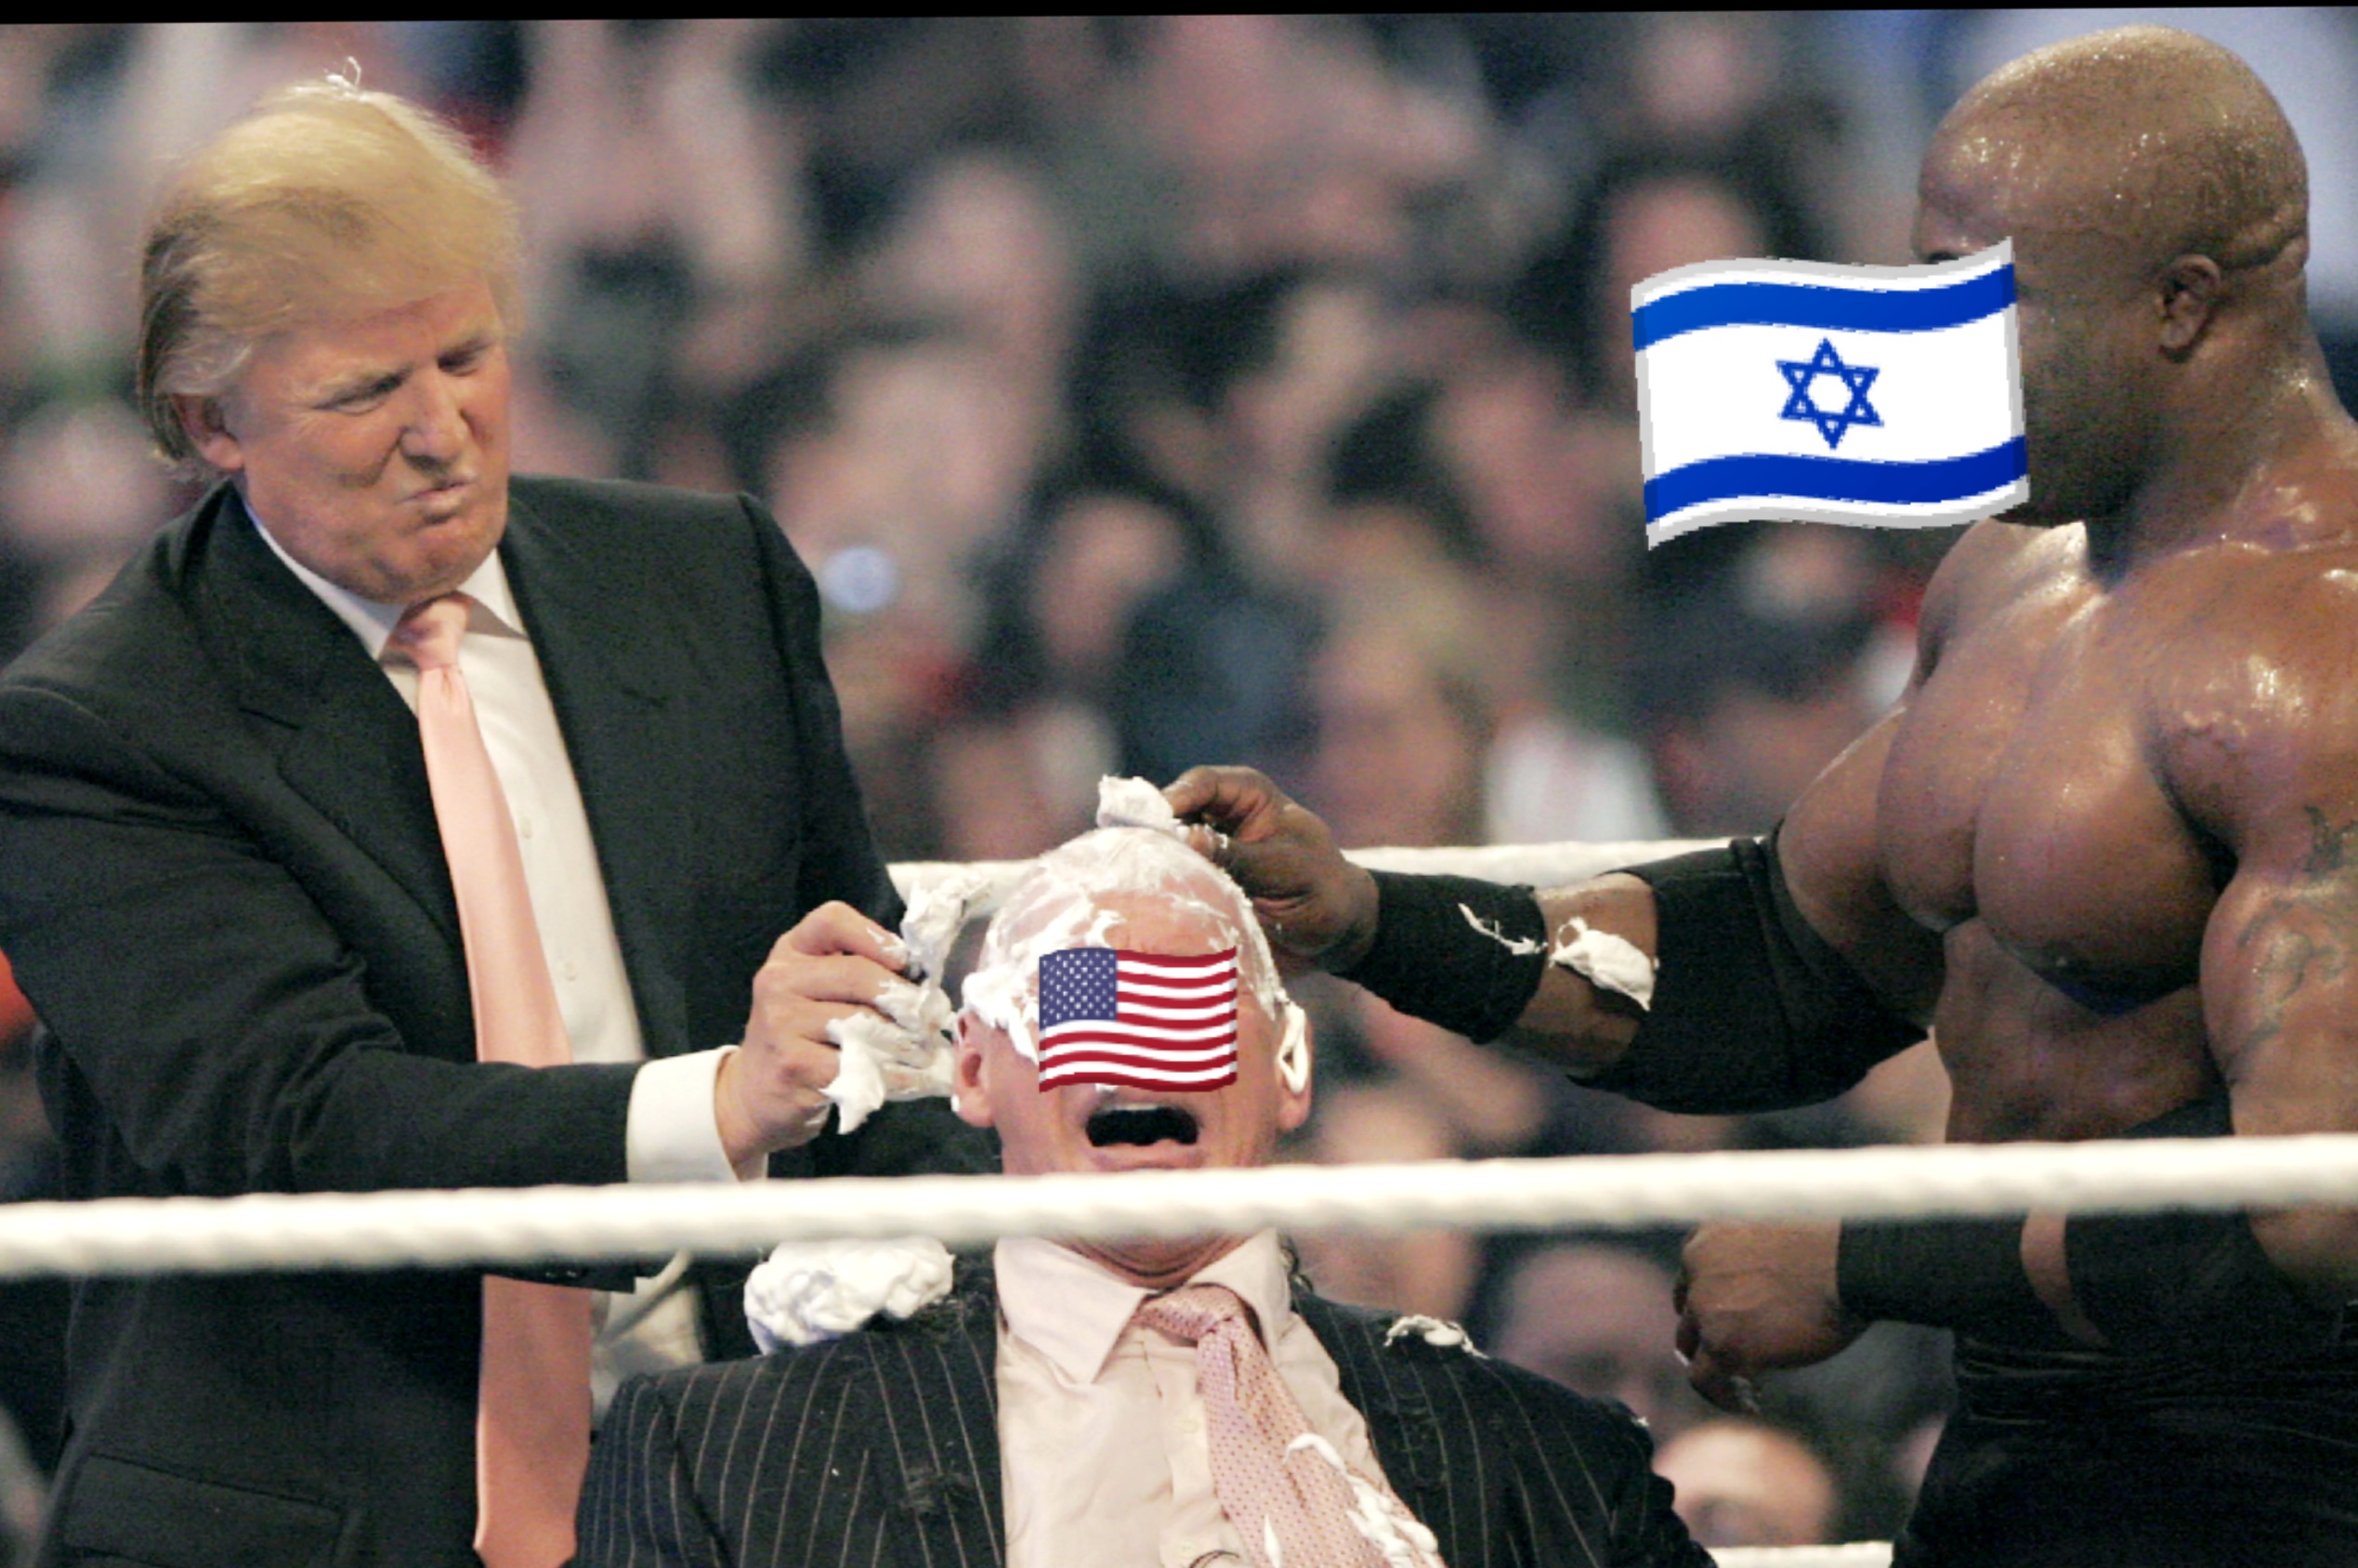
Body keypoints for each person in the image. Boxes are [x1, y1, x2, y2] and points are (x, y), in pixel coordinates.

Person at [1168, 25, 2358, 1566]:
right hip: (2020, 1439)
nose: (1928, 353)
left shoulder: (2320, 659)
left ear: (2180, 304)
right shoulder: (2013, 575)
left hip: (2285, 1466)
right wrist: (1371, 916)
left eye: (1976, 298)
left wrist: (1866, 1261)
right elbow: (1781, 959)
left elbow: (2316, 1203)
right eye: (1920, 283)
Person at [0, 79, 985, 1567]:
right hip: (322, 1513)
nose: (439, 430)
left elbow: (867, 1024)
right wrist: (711, 1107)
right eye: (361, 394)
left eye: (467, 356)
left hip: (743, 1480)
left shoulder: (705, 582)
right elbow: (306, 1121)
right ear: (211, 420)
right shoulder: (99, 727)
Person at [578, 826, 1708, 1567]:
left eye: (1190, 1000)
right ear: (972, 1069)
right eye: (1084, 1000)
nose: (1139, 1050)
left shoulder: (1546, 1454)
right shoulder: (724, 1457)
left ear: (1291, 1067)